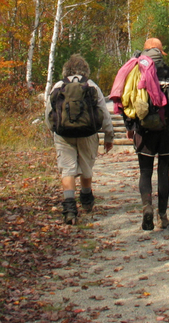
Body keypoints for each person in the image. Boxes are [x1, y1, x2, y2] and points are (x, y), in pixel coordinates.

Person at [125, 38, 169, 231]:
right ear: (160, 54)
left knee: (145, 172)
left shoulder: (136, 71)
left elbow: (128, 99)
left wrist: (129, 126)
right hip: (167, 128)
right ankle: (162, 216)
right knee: (163, 171)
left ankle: (147, 207)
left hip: (144, 129)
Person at [45, 54, 114, 225]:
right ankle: (86, 198)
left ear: (66, 69)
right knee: (86, 165)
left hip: (63, 135)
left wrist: (54, 130)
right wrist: (108, 135)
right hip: (88, 134)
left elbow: (48, 113)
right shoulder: (91, 86)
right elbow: (104, 113)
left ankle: (69, 208)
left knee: (67, 169)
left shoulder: (59, 86)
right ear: (85, 70)